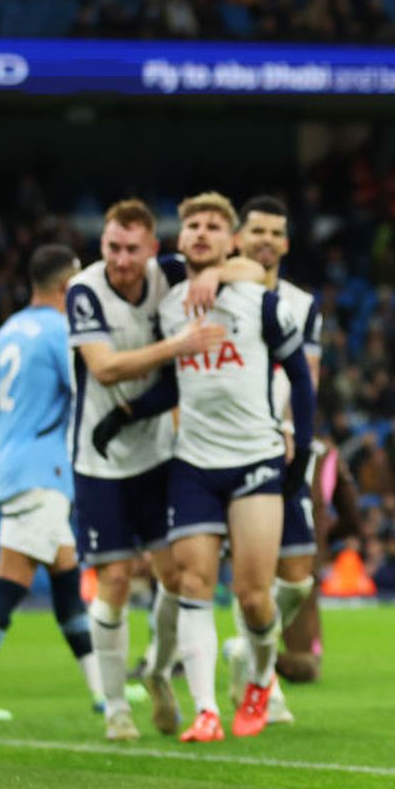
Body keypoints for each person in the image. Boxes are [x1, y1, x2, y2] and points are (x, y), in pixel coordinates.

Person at [67, 198, 258, 742]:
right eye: (112, 248)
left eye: (131, 249)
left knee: (176, 577)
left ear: (153, 249)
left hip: (158, 453)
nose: (121, 260)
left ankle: (157, 669)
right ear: (101, 246)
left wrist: (218, 269)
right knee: (117, 580)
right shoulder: (85, 290)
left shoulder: (168, 274)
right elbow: (103, 369)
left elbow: (252, 270)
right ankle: (114, 708)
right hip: (99, 460)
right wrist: (179, 344)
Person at [154, 193, 315, 743]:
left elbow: (302, 378)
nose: (200, 233)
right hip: (193, 461)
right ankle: (204, 710)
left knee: (253, 595)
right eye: (191, 225)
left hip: (253, 459)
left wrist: (303, 448)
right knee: (193, 583)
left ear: (233, 242)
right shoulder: (167, 304)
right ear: (179, 239)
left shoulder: (261, 301)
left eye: (213, 227)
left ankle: (261, 679)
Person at [0, 244, 104, 721]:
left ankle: (103, 690)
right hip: (43, 471)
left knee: (67, 579)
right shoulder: (61, 332)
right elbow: (90, 390)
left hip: (9, 467)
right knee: (11, 581)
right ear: (67, 287)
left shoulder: (6, 332)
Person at [221, 195, 323, 725]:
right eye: (255, 230)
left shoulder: (302, 304)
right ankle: (264, 681)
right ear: (238, 239)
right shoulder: (218, 294)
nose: (265, 239)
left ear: (286, 243)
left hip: (281, 441)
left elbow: (306, 373)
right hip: (224, 445)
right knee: (244, 573)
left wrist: (290, 429)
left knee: (297, 575)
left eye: (275, 232)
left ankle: (244, 649)